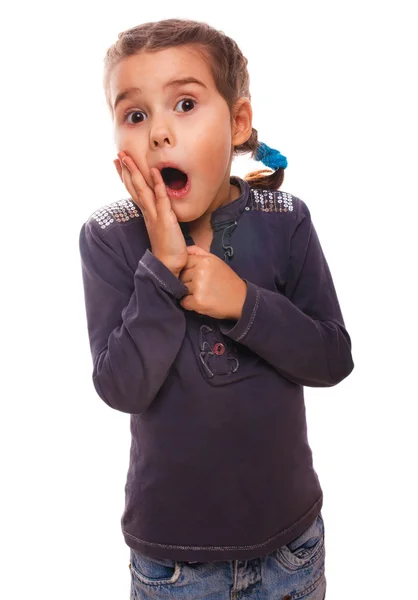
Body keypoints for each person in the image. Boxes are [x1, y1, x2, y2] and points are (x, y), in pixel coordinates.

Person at [78, 17, 354, 600]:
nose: (157, 133)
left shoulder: (286, 218)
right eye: (135, 114)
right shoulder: (108, 237)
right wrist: (161, 269)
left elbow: (332, 358)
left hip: (290, 548)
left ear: (237, 123)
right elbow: (121, 388)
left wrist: (245, 303)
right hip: (171, 562)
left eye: (183, 104)